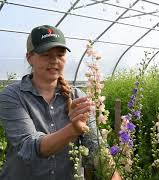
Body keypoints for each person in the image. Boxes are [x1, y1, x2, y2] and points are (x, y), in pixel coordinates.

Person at [0, 25, 121, 180]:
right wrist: (72, 129)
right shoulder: (12, 95)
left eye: (60, 54)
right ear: (30, 57)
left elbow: (95, 147)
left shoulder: (76, 95)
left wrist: (114, 175)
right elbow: (29, 146)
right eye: (46, 54)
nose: (55, 60)